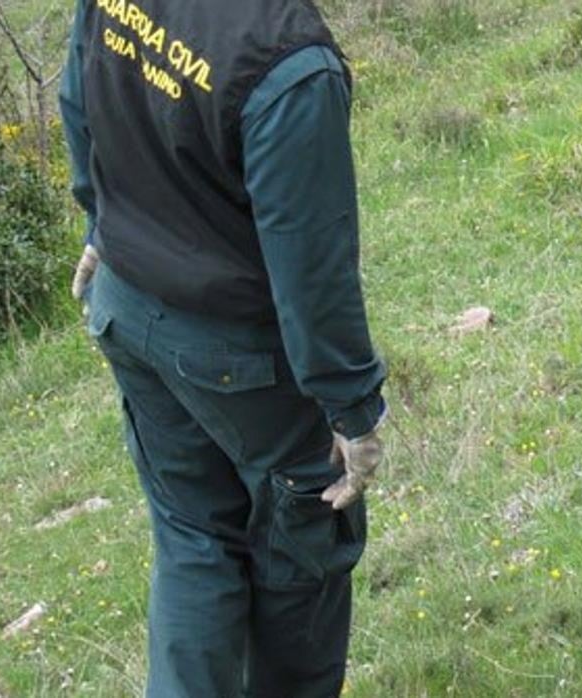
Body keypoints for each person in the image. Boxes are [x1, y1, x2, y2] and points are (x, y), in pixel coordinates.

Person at [60, 1, 386, 695]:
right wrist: (352, 409)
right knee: (302, 558)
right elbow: (313, 270)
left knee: (193, 540)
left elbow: (78, 96)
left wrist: (100, 221)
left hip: (129, 309)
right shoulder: (290, 62)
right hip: (236, 356)